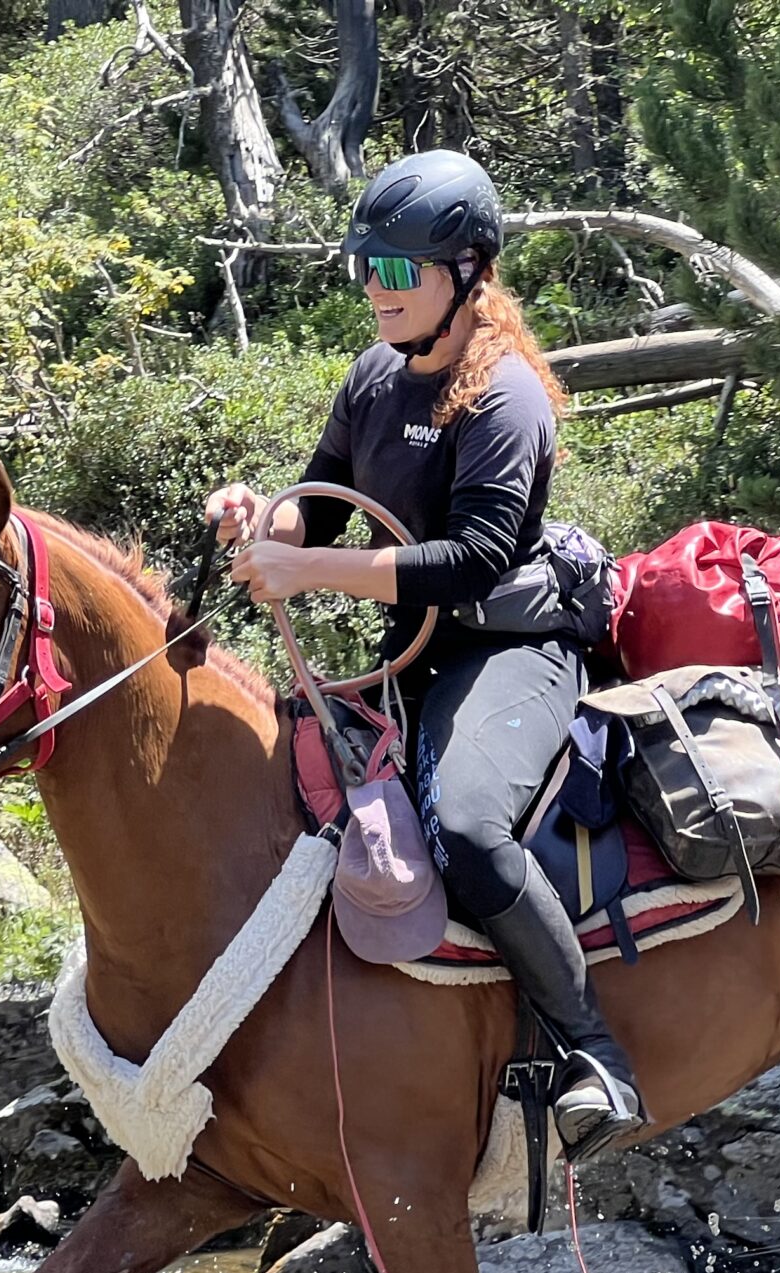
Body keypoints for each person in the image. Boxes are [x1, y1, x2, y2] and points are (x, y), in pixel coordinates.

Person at [205, 150, 643, 1161]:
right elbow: (315, 506)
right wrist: (259, 521)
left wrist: (308, 570)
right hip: (413, 657)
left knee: (468, 828)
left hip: (512, 648)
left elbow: (473, 560)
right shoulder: (373, 378)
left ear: (467, 271)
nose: (375, 287)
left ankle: (596, 1057)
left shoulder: (506, 398)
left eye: (397, 270)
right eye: (365, 267)